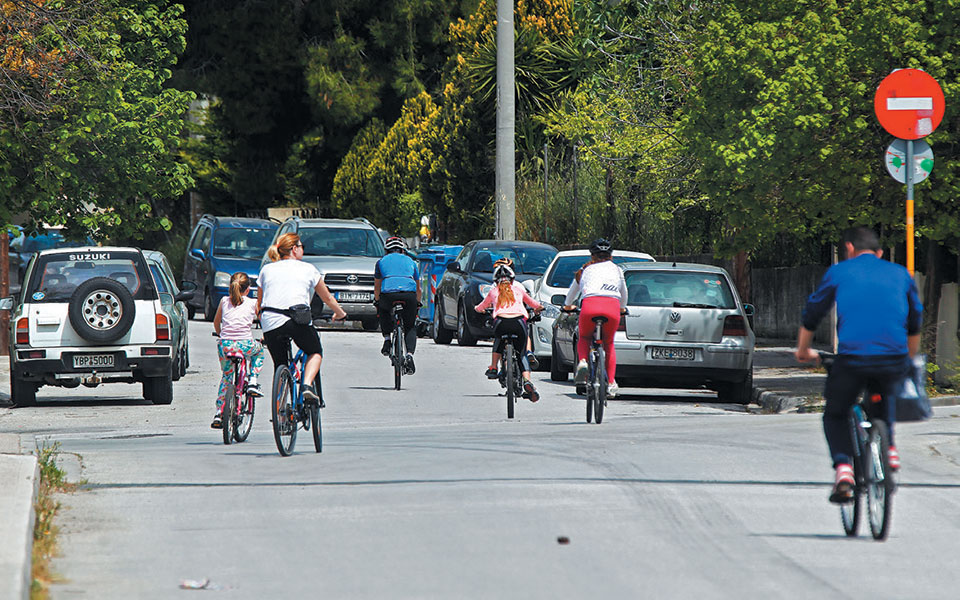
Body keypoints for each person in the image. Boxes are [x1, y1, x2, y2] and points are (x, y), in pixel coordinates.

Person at [795, 226, 922, 504]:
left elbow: (813, 313)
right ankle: (889, 449)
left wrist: (804, 350)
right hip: (893, 359)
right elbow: (915, 320)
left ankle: (843, 470)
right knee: (885, 399)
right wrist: (908, 358)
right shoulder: (900, 274)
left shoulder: (840, 272)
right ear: (879, 253)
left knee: (835, 413)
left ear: (849, 249)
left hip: (852, 358)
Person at [257, 233, 347, 405]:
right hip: (296, 319)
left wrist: (264, 328)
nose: (303, 249)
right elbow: (327, 298)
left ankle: (280, 411)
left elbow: (259, 304)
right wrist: (340, 313)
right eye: (301, 246)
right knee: (315, 351)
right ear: (294, 249)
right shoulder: (308, 269)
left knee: (280, 363)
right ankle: (306, 386)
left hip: (270, 321)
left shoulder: (266, 270)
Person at [563, 238, 628, 397]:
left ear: (592, 256)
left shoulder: (585, 270)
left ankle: (583, 362)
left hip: (590, 306)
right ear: (611, 256)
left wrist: (567, 306)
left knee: (584, 337)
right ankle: (611, 382)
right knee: (609, 343)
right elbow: (624, 292)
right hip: (612, 307)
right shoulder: (617, 270)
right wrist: (622, 308)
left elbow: (571, 293)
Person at [475, 258, 543, 402]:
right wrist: (539, 309)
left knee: (498, 340)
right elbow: (534, 304)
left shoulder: (493, 291)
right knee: (522, 354)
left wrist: (478, 309)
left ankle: (493, 367)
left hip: (501, 322)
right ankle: (527, 381)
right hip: (519, 322)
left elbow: (481, 307)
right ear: (512, 280)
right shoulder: (518, 289)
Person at [210, 272, 264, 429]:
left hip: (225, 346)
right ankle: (253, 380)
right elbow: (263, 321)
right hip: (245, 345)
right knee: (259, 351)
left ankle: (219, 413)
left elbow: (216, 322)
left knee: (227, 377)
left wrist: (222, 335)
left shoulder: (224, 301)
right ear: (248, 290)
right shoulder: (253, 303)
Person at [374, 236, 421, 374]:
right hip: (409, 295)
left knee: (382, 309)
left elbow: (377, 287)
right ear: (402, 250)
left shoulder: (381, 262)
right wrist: (418, 303)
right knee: (410, 325)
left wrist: (377, 301)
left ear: (386, 250)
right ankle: (409, 355)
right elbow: (418, 288)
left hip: (389, 295)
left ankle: (387, 340)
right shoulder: (411, 261)